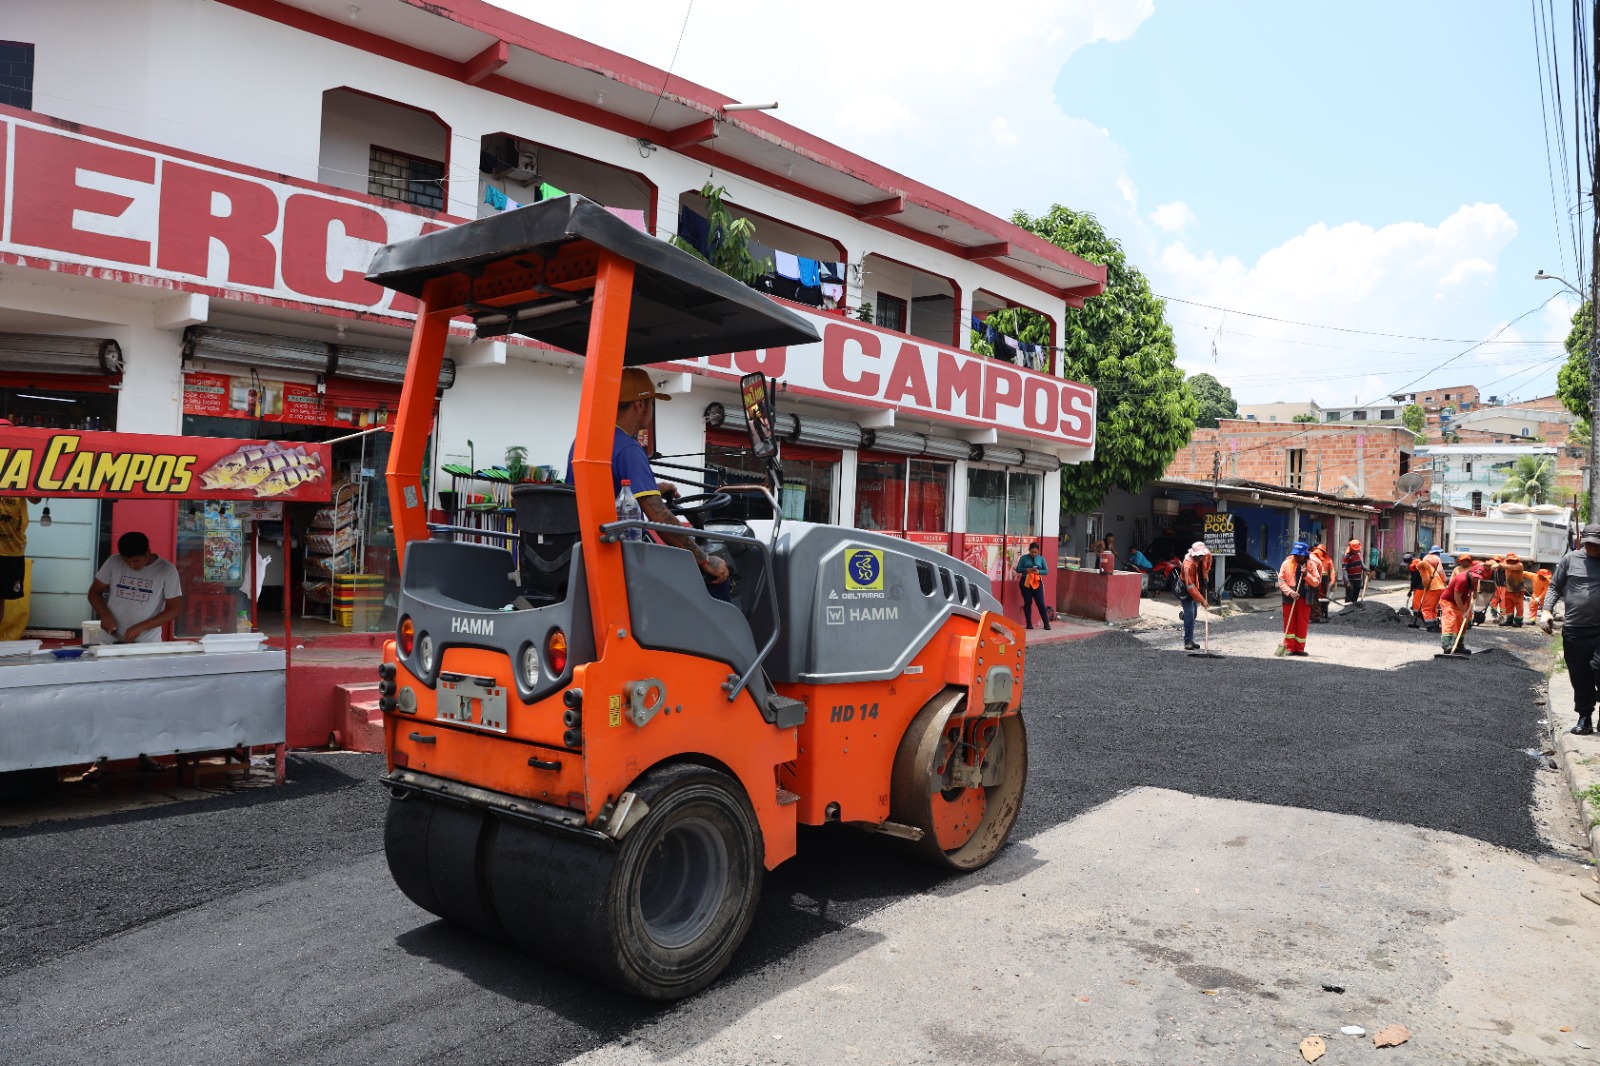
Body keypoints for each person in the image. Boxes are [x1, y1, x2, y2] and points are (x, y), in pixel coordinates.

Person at [565, 367, 730, 598]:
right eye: (652, 402)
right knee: (716, 576)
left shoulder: (584, 441)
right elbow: (658, 515)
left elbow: (605, 489)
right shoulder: (629, 449)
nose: (652, 409)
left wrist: (654, 488)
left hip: (585, 555)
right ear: (640, 405)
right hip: (617, 559)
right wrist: (703, 558)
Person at [1540, 526, 1600, 735]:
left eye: (1597, 543)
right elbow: (1556, 586)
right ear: (1583, 541)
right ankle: (1585, 717)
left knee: (1599, 667)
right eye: (1590, 543)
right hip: (1575, 628)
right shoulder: (1570, 560)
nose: (1593, 547)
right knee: (1580, 675)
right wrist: (1547, 610)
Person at [88, 531, 184, 644]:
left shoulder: (167, 570)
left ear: (148, 552)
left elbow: (174, 609)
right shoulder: (114, 562)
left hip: (146, 642)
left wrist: (141, 627)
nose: (132, 565)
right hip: (110, 639)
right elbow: (94, 592)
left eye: (136, 561)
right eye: (126, 561)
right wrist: (105, 615)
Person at [1278, 541, 1319, 656]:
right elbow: (1281, 581)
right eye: (1295, 554)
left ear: (1304, 554)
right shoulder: (1286, 564)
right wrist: (1290, 592)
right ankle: (1290, 648)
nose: (1296, 557)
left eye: (1299, 555)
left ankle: (1299, 648)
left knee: (1302, 623)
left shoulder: (1311, 565)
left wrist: (1306, 575)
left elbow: (1316, 582)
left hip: (1304, 598)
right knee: (1289, 622)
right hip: (1289, 598)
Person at [1438, 554, 1478, 656]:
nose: (1476, 579)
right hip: (1449, 601)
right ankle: (1446, 645)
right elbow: (1457, 597)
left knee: (1462, 623)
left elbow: (1474, 588)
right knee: (1450, 619)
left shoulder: (1475, 578)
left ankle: (1458, 645)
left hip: (1461, 601)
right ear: (1470, 572)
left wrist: (1474, 595)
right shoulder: (1462, 579)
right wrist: (1464, 611)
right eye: (1475, 577)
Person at [1178, 541, 1212, 651]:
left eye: (1201, 556)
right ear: (1193, 555)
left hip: (1196, 587)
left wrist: (1206, 578)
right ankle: (1188, 641)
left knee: (1194, 614)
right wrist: (1202, 600)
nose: (1200, 558)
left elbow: (1207, 564)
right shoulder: (1188, 565)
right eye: (1198, 556)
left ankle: (1185, 618)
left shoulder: (1206, 556)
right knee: (1190, 613)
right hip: (1186, 590)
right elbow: (1190, 587)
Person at [1015, 541, 1051, 631]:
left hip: (1036, 582)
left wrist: (1039, 572)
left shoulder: (1041, 559)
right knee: (1028, 602)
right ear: (1029, 550)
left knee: (1040, 603)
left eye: (1035, 552)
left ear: (1038, 552)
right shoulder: (1024, 558)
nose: (1033, 554)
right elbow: (1017, 569)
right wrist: (1026, 570)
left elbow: (1046, 571)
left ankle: (1046, 623)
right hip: (1025, 582)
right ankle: (1029, 623)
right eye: (1032, 552)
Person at [1417, 546, 1446, 633]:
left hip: (1432, 588)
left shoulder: (1422, 563)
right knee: (1433, 608)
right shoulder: (1434, 564)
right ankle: (1435, 624)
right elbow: (1440, 571)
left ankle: (1430, 626)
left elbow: (1423, 564)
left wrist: (1429, 571)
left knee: (1426, 608)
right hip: (1440, 587)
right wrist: (1444, 581)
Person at [1499, 552, 1526, 627]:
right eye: (1509, 560)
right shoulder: (1506, 564)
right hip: (1509, 589)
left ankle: (1518, 621)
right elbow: (1500, 563)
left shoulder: (1519, 565)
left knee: (1519, 605)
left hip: (1518, 590)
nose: (1511, 561)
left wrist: (1499, 565)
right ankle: (1509, 620)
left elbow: (1508, 567)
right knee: (1508, 605)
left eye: (1512, 560)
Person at [1309, 542, 1334, 622]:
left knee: (1322, 597)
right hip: (1315, 578)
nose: (1320, 552)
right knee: (1314, 597)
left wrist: (1333, 580)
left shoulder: (1328, 560)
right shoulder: (1312, 558)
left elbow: (1332, 571)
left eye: (1322, 551)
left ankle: (1321, 612)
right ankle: (1314, 613)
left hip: (1324, 580)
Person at [1341, 538, 1366, 606]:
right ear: (1351, 548)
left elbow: (1360, 562)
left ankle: (1353, 611)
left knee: (1355, 596)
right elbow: (1344, 569)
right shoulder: (1347, 556)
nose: (1357, 550)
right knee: (1349, 596)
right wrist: (1347, 581)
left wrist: (1365, 568)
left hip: (1357, 579)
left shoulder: (1357, 553)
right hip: (1350, 580)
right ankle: (1347, 610)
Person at [1405, 552, 1424, 628]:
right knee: (1416, 602)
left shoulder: (1414, 566)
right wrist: (1411, 589)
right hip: (1420, 585)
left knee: (1416, 602)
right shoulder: (1417, 562)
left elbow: (1414, 579)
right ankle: (1417, 617)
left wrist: (1410, 590)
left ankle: (1418, 618)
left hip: (1421, 586)